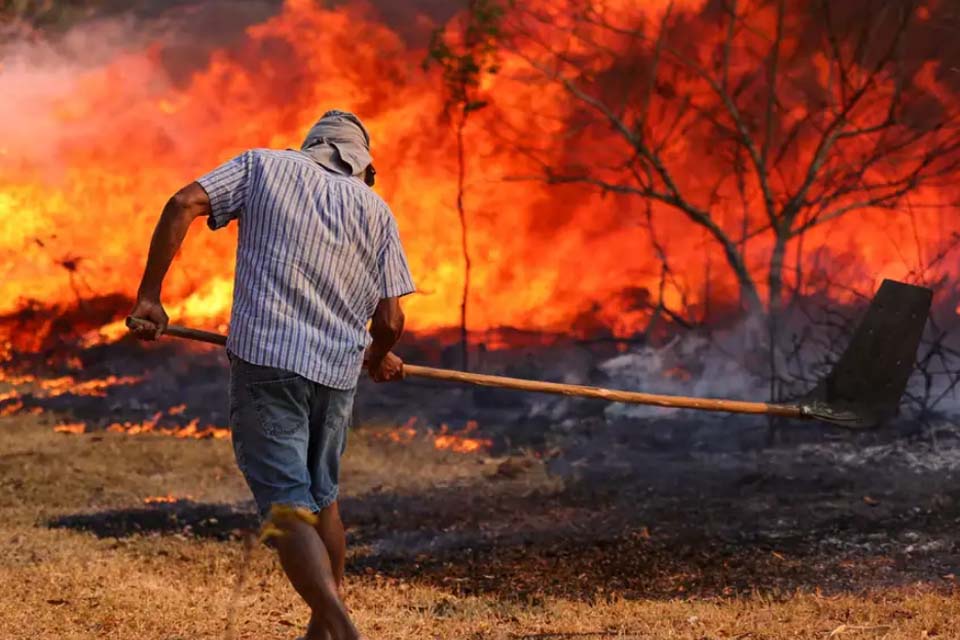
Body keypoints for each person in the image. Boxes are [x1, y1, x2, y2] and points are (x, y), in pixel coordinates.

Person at [129, 110, 415, 640]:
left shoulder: (262, 167)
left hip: (268, 364)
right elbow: (392, 320)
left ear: (311, 146)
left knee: (287, 503)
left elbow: (183, 202)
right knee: (322, 498)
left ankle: (340, 628)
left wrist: (150, 297)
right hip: (335, 376)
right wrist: (377, 355)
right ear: (362, 166)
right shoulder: (377, 211)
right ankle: (320, 632)